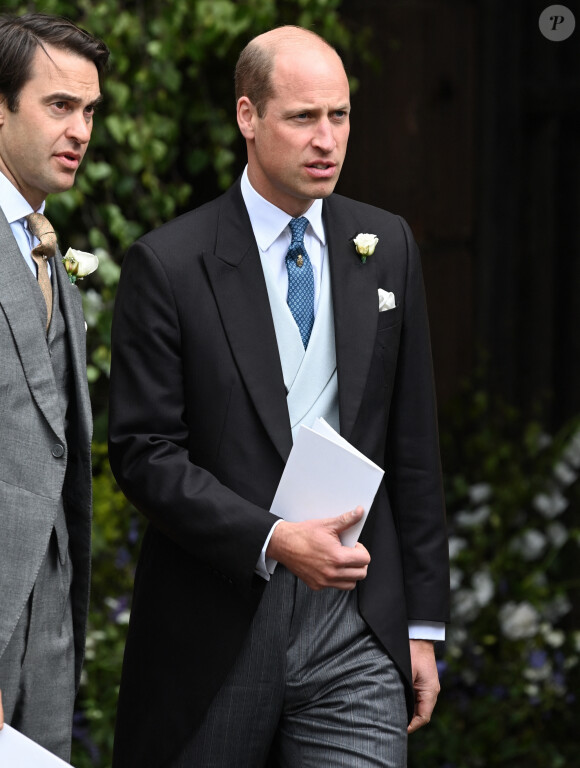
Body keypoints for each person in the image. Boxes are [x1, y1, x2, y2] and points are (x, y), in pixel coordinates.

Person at [109, 25, 449, 768]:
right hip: (218, 622)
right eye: (303, 118)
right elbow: (143, 455)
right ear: (247, 117)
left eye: (341, 115)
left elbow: (414, 444)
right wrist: (270, 538)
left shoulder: (385, 243)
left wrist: (422, 624)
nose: (327, 139)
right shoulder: (168, 264)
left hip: (354, 623)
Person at [0, 12, 109, 760]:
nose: (80, 129)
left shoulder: (45, 250)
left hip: (48, 618)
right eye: (59, 105)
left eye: (90, 111)